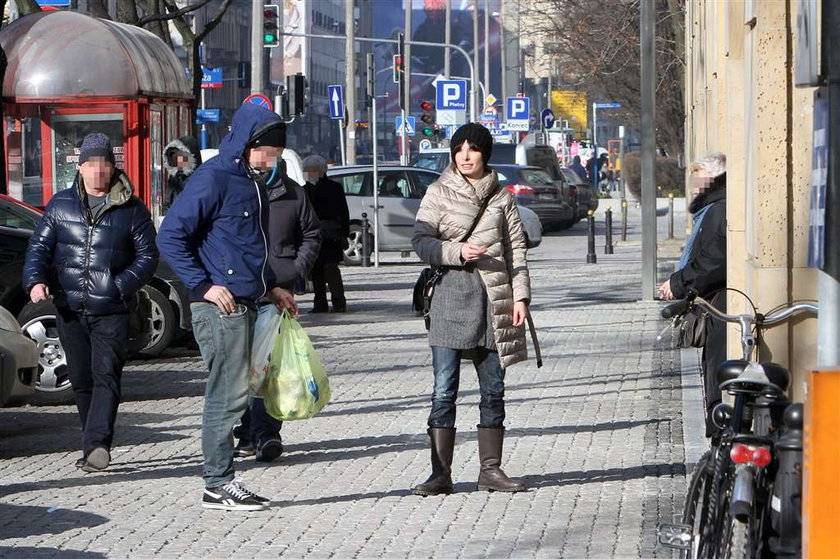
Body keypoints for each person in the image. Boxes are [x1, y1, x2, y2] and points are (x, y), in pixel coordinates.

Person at [157, 104, 298, 511]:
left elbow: (247, 247)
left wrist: (271, 288)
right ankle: (217, 483)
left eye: (275, 156)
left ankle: (222, 480)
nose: (270, 162)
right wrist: (203, 285)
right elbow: (171, 237)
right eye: (266, 154)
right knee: (227, 394)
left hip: (249, 302)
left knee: (240, 392)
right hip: (220, 308)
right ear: (248, 145)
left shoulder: (251, 181)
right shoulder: (214, 177)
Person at [22, 132, 159, 472]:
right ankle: (90, 442)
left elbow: (148, 256)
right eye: (91, 164)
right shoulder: (60, 205)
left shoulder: (132, 209)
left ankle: (99, 444)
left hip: (110, 308)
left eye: (105, 165)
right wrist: (36, 281)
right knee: (82, 379)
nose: (98, 171)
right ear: (80, 168)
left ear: (113, 168)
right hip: (70, 307)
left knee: (106, 375)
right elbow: (39, 247)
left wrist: (119, 285)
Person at [411, 123, 534, 496]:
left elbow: (517, 252)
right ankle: (440, 474)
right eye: (459, 148)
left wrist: (521, 298)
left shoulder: (502, 198)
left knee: (493, 389)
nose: (465, 155)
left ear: (485, 154)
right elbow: (420, 241)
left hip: (495, 299)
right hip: (451, 294)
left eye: (473, 149)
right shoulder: (438, 192)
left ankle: (490, 471)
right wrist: (456, 252)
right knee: (444, 389)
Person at [233, 136, 321, 462]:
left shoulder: (293, 193)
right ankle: (246, 431)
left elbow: (312, 234)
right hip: (242, 290)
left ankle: (267, 434)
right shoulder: (238, 189)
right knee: (243, 367)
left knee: (272, 367)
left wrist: (295, 268)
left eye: (271, 154)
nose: (264, 159)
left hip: (278, 293)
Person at [659, 153, 727, 437]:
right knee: (714, 372)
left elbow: (714, 258)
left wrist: (678, 283)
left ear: (711, 176)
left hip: (722, 303)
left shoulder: (718, 208)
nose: (693, 185)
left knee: (718, 375)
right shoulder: (714, 205)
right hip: (716, 301)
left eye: (697, 176)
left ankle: (719, 437)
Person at [302, 154, 350, 313]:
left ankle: (338, 302)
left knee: (331, 270)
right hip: (313, 236)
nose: (306, 173)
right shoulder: (304, 190)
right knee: (316, 272)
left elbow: (343, 212)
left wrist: (344, 233)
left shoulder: (334, 188)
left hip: (331, 236)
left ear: (318, 170)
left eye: (308, 170)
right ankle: (320, 303)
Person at [162, 136, 202, 212]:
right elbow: (167, 202)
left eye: (182, 157)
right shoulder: (175, 177)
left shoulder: (201, 178)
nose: (179, 161)